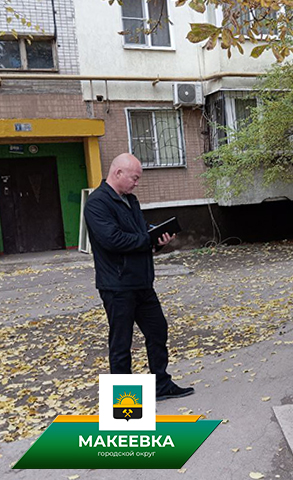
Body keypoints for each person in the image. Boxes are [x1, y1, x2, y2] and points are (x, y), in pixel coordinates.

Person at [84, 153, 194, 401]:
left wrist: (158, 241)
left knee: (157, 331)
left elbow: (140, 233)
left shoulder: (130, 200)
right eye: (134, 178)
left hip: (142, 283)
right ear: (118, 173)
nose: (137, 183)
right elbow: (113, 241)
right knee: (121, 344)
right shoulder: (97, 203)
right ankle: (125, 404)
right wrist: (148, 239)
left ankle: (160, 385)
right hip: (117, 286)